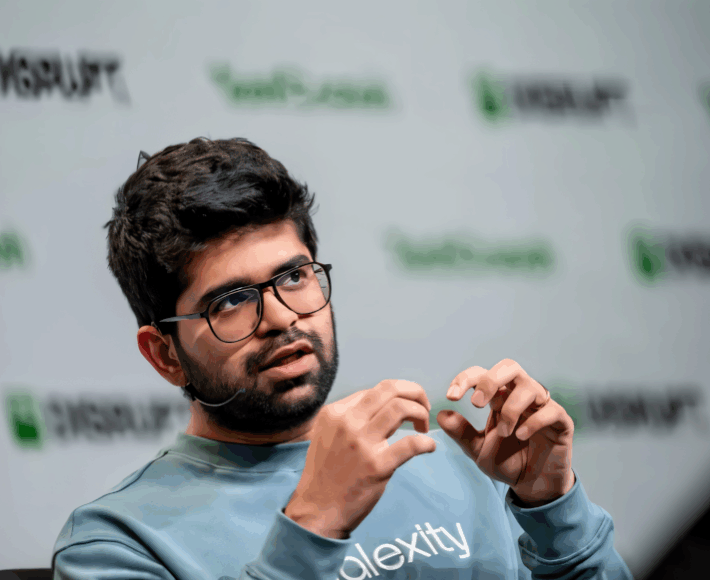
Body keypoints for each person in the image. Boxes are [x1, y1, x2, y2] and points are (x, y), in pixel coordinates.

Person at [52, 137, 633, 579]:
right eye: (231, 300)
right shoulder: (118, 542)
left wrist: (554, 511)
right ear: (165, 354)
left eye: (294, 276)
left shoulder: (457, 466)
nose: (282, 315)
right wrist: (311, 526)